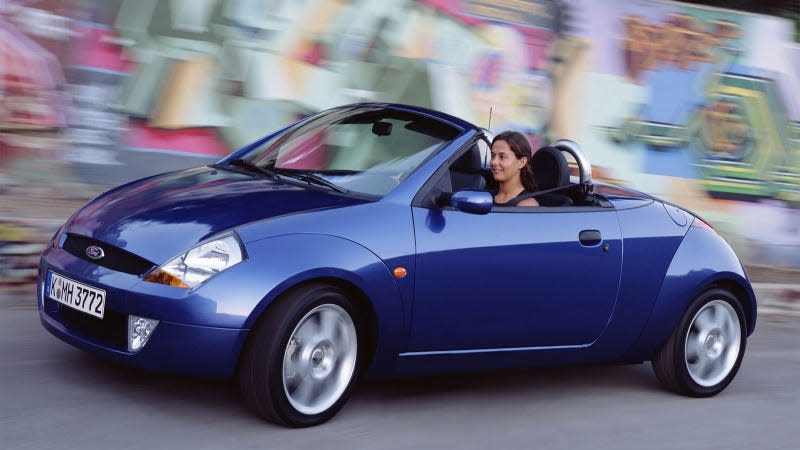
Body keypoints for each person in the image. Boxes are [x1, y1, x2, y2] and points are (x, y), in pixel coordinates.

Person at [490, 131, 539, 206]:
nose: (494, 162)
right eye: (493, 156)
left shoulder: (527, 204)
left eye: (502, 157)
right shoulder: (487, 197)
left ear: (522, 162)